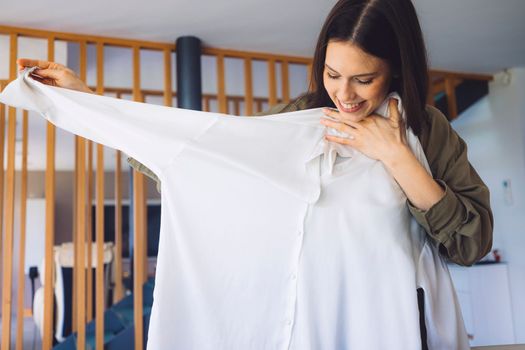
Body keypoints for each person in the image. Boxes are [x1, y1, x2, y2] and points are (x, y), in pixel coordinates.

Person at [15, 0, 492, 347]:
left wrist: (398, 159)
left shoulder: (428, 133)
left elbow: (471, 244)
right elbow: (208, 163)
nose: (343, 94)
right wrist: (86, 99)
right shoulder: (300, 118)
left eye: (363, 79)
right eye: (331, 73)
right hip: (304, 329)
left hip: (388, 329)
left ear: (396, 69)